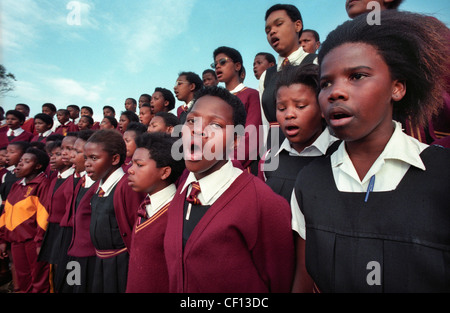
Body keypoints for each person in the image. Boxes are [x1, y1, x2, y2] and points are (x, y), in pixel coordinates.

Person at [292, 10, 450, 293]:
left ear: (397, 87)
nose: (335, 92)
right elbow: (305, 278)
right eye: (326, 82)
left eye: (357, 76)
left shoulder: (444, 175)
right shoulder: (308, 182)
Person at [164, 86, 294, 293]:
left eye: (215, 124)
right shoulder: (183, 189)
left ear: (235, 141)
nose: (198, 130)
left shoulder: (264, 204)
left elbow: (279, 281)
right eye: (191, 120)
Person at [260, 64, 338, 202]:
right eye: (281, 108)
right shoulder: (269, 159)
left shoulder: (344, 155)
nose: (289, 115)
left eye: (300, 106)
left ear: (322, 109)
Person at [84, 129, 145, 292]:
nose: (87, 163)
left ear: (115, 159)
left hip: (121, 263)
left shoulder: (126, 186)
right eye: (86, 158)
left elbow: (136, 228)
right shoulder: (99, 186)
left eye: (94, 158)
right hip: (101, 260)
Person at [126, 132, 185, 293]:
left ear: (165, 172)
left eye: (139, 165)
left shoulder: (177, 214)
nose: (130, 170)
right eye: (132, 164)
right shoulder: (146, 204)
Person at [260, 4, 317, 150]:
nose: (272, 31)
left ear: (297, 25)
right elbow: (266, 125)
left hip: (315, 152)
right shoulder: (266, 76)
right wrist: (269, 159)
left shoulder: (317, 62)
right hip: (277, 153)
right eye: (267, 30)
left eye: (278, 24)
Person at [0, 147, 51, 293]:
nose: (20, 164)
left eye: (26, 161)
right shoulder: (17, 185)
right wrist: (2, 239)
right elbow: (6, 213)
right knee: (22, 279)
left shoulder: (42, 185)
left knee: (39, 280)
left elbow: (43, 216)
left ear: (38, 166)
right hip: (16, 240)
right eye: (21, 160)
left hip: (33, 241)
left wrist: (39, 240)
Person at [212, 46, 262, 175]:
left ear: (237, 66)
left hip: (240, 166)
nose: (217, 66)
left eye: (222, 62)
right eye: (215, 64)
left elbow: (252, 135)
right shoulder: (215, 101)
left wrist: (228, 164)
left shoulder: (251, 94)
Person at [65, 130, 99, 293]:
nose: (71, 155)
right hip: (74, 248)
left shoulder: (99, 185)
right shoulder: (81, 181)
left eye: (77, 152)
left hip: (90, 255)